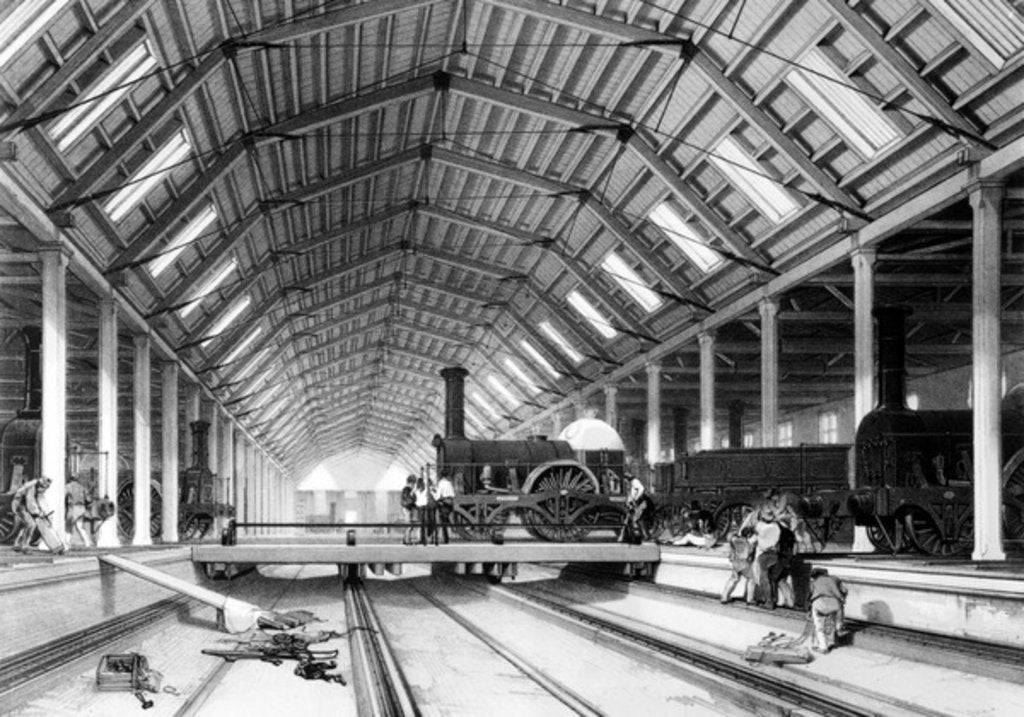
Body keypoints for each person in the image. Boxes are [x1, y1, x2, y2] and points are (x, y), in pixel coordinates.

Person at [12, 476, 66, 554]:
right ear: (40, 485)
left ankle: (17, 544)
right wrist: (37, 513)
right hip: (19, 505)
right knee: (31, 524)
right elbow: (30, 502)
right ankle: (24, 546)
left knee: (28, 524)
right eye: (44, 488)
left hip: (26, 505)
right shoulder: (31, 488)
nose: (44, 490)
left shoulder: (38, 489)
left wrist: (46, 512)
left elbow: (41, 501)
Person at [808, 567, 848, 653]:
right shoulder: (835, 579)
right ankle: (838, 632)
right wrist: (842, 599)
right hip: (835, 604)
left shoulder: (814, 582)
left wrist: (809, 610)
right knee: (837, 621)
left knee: (819, 627)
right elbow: (844, 590)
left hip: (820, 604)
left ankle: (823, 647)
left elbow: (809, 596)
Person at [749, 506, 781, 609]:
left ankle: (768, 602)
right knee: (772, 579)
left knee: (763, 579)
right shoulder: (776, 527)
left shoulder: (760, 526)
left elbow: (752, 540)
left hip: (763, 555)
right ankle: (773, 599)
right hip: (774, 555)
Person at [720, 531, 755, 604]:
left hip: (735, 563)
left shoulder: (732, 542)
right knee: (752, 579)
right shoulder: (742, 541)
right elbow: (749, 551)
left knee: (733, 579)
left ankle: (724, 597)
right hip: (743, 563)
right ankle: (750, 599)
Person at [414, 476, 438, 545]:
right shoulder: (426, 490)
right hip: (426, 508)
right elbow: (435, 497)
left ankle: (422, 538)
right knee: (428, 523)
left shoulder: (417, 490)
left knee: (422, 524)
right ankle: (427, 537)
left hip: (420, 508)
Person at [434, 472, 455, 544]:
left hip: (443, 503)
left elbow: (438, 495)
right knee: (445, 521)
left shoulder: (441, 483)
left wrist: (436, 497)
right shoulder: (449, 483)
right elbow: (452, 494)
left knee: (441, 521)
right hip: (450, 503)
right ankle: (445, 538)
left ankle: (442, 538)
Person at [400, 475, 417, 545]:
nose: (414, 485)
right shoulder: (407, 490)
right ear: (411, 483)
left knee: (409, 525)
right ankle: (407, 541)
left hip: (407, 508)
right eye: (414, 483)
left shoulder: (406, 489)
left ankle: (405, 539)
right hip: (407, 509)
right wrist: (413, 498)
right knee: (409, 525)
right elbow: (409, 500)